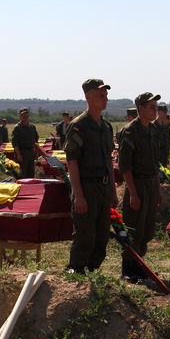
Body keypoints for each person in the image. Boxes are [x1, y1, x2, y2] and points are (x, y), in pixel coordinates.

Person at [64, 78, 117, 274]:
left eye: (106, 95)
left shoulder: (106, 127)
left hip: (103, 187)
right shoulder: (79, 126)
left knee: (102, 235)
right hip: (86, 187)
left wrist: (112, 190)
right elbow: (72, 161)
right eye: (100, 95)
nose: (105, 99)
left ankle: (92, 273)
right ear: (88, 97)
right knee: (85, 234)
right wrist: (78, 195)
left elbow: (109, 162)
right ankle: (76, 273)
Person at [118, 92, 161, 282]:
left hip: (151, 183)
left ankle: (140, 265)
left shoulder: (152, 130)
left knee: (147, 227)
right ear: (141, 108)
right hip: (137, 184)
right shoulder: (130, 131)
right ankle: (128, 269)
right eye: (152, 107)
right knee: (133, 227)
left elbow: (154, 164)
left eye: (156, 107)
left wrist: (158, 191)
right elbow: (125, 166)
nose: (155, 110)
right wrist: (133, 193)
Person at [11, 108, 39, 178]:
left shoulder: (32, 127)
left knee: (31, 173)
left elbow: (35, 140)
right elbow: (15, 143)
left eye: (26, 115)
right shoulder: (17, 127)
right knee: (21, 174)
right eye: (23, 115)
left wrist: (36, 152)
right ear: (20, 116)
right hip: (22, 153)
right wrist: (18, 154)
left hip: (31, 153)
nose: (25, 117)